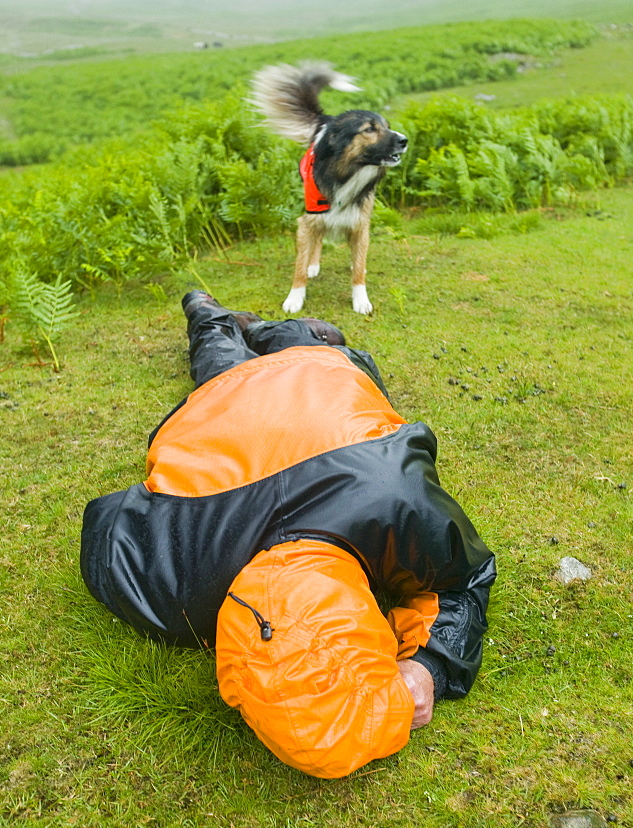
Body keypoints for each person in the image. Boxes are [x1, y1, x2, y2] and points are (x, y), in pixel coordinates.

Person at [81, 292, 496, 779]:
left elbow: (463, 577)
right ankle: (211, 314)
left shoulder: (398, 500)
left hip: (297, 381)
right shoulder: (174, 594)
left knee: (310, 348)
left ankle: (246, 324)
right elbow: (103, 525)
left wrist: (426, 667)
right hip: (233, 400)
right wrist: (433, 666)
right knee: (225, 356)